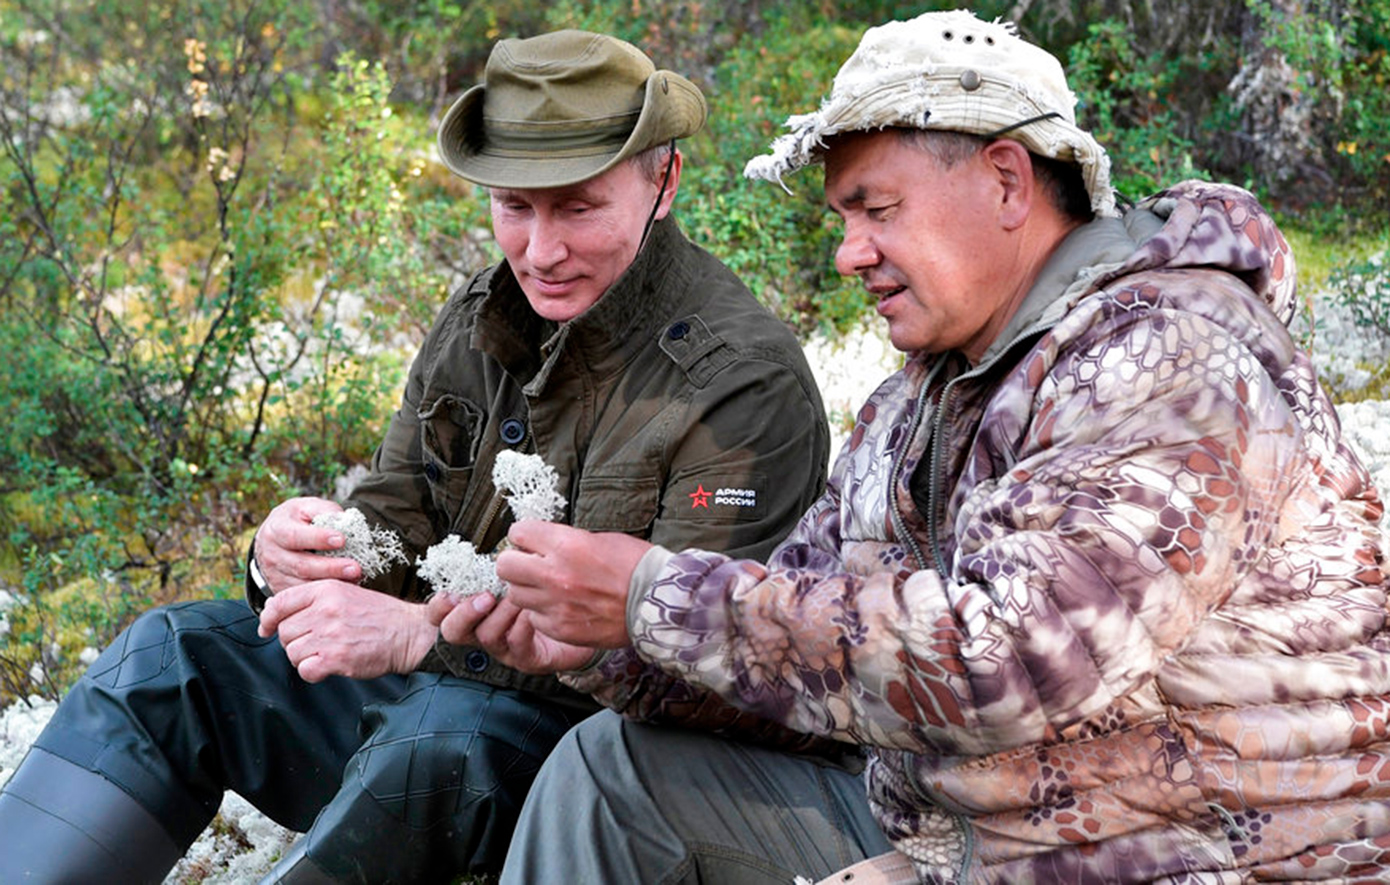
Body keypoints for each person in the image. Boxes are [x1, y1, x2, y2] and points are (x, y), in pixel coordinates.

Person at [450, 10, 1390, 883]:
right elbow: (803, 653)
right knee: (612, 771)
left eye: (878, 209)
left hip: (1208, 849)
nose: (850, 253)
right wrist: (602, 639)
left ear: (1007, 180)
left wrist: (654, 591)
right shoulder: (923, 400)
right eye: (844, 220)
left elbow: (1017, 660)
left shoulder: (1169, 358)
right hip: (976, 829)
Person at [0, 29, 830, 884]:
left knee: (441, 742)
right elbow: (401, 520)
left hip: (598, 783)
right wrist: (305, 554)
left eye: (579, 207)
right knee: (169, 657)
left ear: (664, 183)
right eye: (514, 205)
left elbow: (714, 677)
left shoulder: (742, 386)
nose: (540, 250)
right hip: (435, 715)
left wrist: (419, 640)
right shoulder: (481, 315)